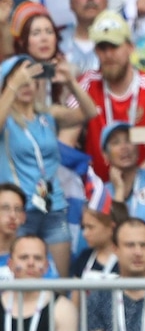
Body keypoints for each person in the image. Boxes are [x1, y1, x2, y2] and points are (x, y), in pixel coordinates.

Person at [0, 53, 85, 273]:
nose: (27, 85)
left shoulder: (47, 114)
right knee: (18, 278)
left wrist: (71, 83)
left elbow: (89, 113)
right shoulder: (5, 118)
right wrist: (11, 85)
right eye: (21, 79)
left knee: (59, 280)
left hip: (53, 206)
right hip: (19, 211)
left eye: (32, 79)